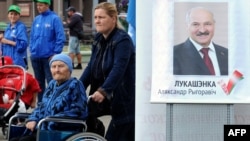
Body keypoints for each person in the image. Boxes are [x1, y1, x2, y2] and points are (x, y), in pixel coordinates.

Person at [79, 2, 135, 141]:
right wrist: (78, 86)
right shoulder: (98, 38)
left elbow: (118, 68)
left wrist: (104, 90)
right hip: (104, 93)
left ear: (113, 18)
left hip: (122, 95)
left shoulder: (122, 40)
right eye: (95, 17)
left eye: (101, 17)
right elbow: (91, 66)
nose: (97, 20)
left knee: (116, 135)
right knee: (85, 116)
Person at [10, 54, 88, 141]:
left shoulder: (75, 85)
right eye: (53, 67)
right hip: (43, 128)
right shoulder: (52, 84)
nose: (57, 70)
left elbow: (79, 112)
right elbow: (41, 106)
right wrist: (33, 119)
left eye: (61, 66)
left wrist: (50, 120)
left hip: (61, 131)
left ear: (69, 69)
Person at [173, 7, 228, 76]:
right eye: (195, 24)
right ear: (187, 26)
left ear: (214, 25)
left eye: (207, 24)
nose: (202, 30)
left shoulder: (228, 55)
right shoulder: (173, 55)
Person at [29, 0, 66, 103]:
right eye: (37, 5)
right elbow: (31, 37)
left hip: (49, 58)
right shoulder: (36, 19)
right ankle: (41, 105)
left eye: (40, 5)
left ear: (47, 5)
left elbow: (60, 37)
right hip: (36, 57)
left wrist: (55, 53)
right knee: (38, 84)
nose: (38, 7)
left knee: (52, 82)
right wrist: (32, 50)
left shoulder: (54, 19)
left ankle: (52, 103)